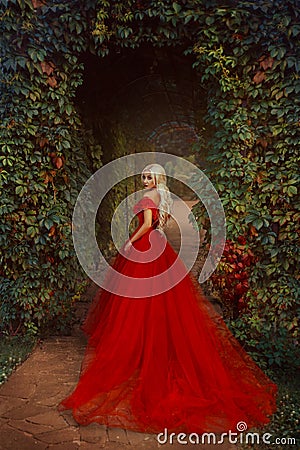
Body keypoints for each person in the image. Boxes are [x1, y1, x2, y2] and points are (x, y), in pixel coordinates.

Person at [59, 163, 277, 434]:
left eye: (149, 176)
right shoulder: (161, 195)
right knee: (151, 301)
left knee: (137, 301)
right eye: (144, 175)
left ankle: (138, 350)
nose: (145, 179)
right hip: (157, 247)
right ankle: (147, 346)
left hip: (145, 245)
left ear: (157, 178)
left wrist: (130, 242)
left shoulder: (150, 197)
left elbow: (148, 224)